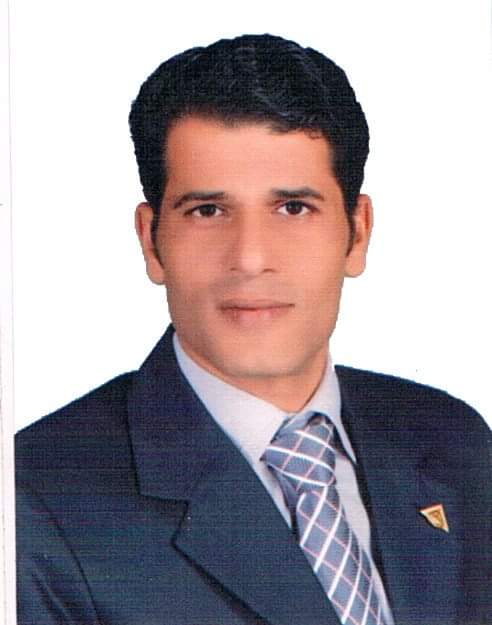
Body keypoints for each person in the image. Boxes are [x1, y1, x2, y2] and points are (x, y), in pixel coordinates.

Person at [15, 34, 490, 625]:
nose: (250, 258)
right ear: (151, 242)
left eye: (293, 208)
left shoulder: (452, 441)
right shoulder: (35, 504)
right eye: (207, 211)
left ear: (358, 232)